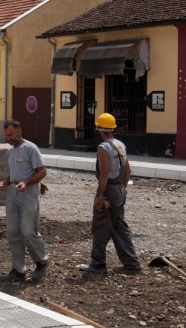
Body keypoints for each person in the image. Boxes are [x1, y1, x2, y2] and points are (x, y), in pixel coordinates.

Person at [78, 113, 142, 274]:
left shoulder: (103, 147)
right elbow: (127, 170)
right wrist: (122, 188)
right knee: (120, 227)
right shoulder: (120, 145)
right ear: (112, 128)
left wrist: (100, 196)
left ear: (99, 128)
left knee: (101, 225)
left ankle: (98, 263)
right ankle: (132, 263)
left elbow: (104, 173)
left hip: (109, 189)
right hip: (119, 188)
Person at [0, 119, 49, 282]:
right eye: (6, 135)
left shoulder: (30, 149)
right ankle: (18, 270)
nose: (9, 138)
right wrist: (5, 182)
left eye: (11, 135)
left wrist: (27, 183)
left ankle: (41, 261)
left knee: (27, 230)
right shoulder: (10, 152)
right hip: (13, 193)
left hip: (28, 193)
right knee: (13, 231)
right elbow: (12, 173)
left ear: (19, 132)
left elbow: (42, 171)